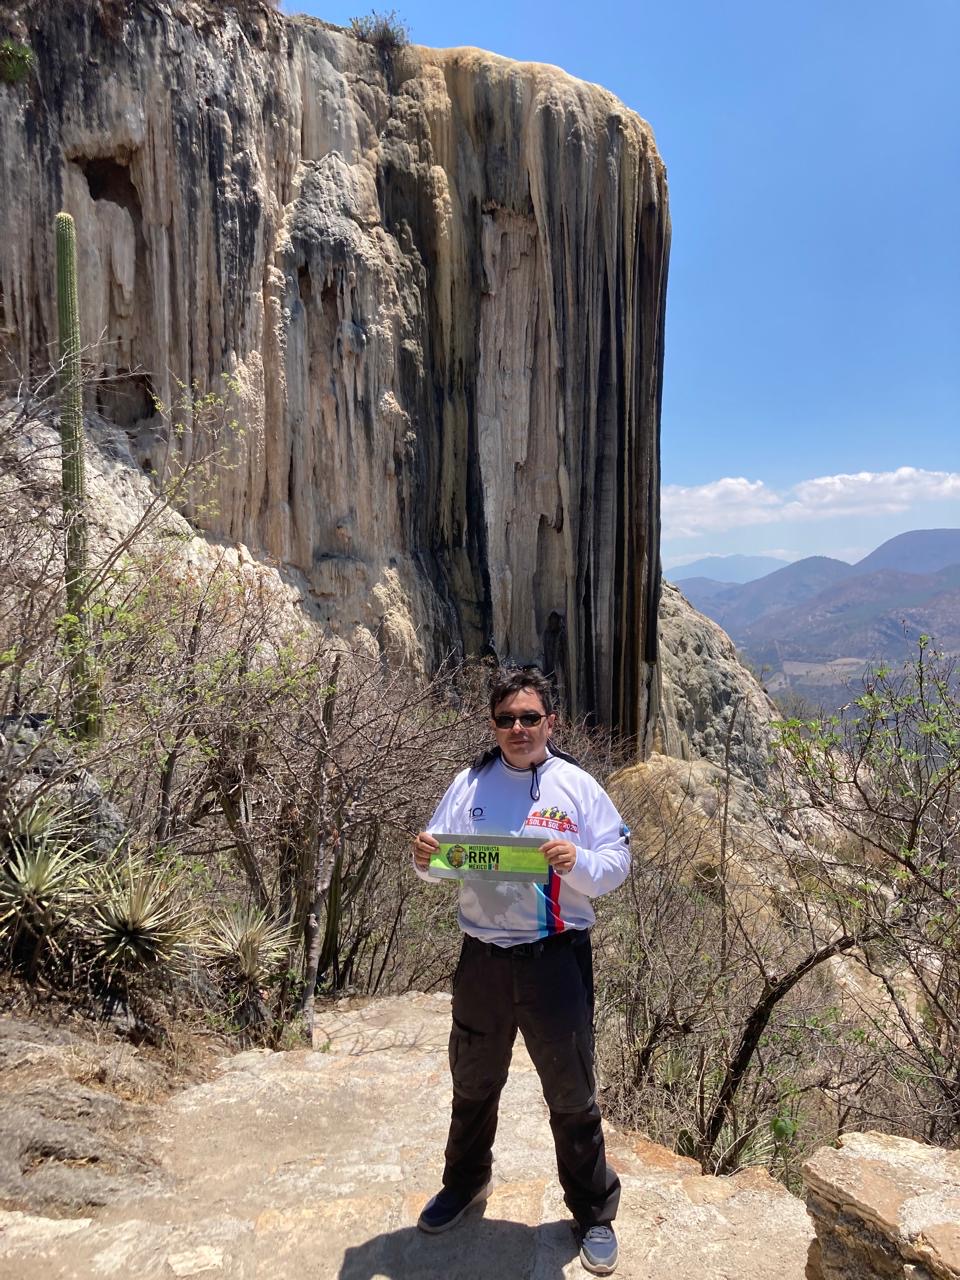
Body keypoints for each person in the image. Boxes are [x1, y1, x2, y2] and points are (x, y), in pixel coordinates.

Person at [411, 667, 631, 1277]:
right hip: (481, 958)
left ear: (549, 723)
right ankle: (464, 1185)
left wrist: (578, 860)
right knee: (473, 1080)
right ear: (493, 725)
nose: (518, 729)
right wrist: (425, 858)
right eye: (506, 719)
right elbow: (440, 863)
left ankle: (592, 1213)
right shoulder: (467, 783)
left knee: (572, 1092)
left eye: (529, 718)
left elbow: (616, 863)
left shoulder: (579, 787)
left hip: (554, 960)